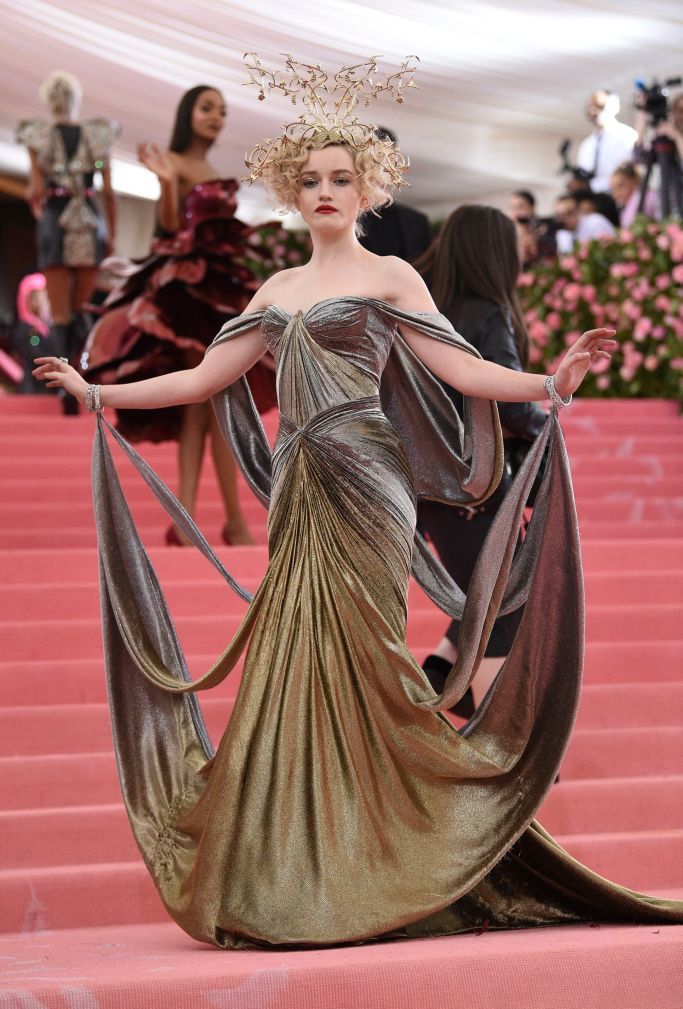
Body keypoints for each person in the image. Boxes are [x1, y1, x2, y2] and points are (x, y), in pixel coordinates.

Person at [35, 53, 681, 950]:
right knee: (299, 658)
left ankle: (403, 852)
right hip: (300, 488)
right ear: (293, 195)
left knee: (370, 656)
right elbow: (198, 378)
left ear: (367, 189)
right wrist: (97, 391)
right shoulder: (274, 291)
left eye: (342, 178)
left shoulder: (392, 279)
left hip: (371, 484)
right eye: (311, 179)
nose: (326, 190)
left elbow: (458, 367)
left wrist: (547, 378)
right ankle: (314, 867)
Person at [82, 85, 276, 546]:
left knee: (221, 409)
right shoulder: (176, 164)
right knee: (202, 406)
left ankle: (217, 521)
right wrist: (166, 183)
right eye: (208, 108)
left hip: (220, 293)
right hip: (188, 298)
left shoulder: (210, 168)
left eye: (222, 110)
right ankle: (199, 520)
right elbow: (169, 227)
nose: (217, 116)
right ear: (188, 113)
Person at [415, 205, 548, 718]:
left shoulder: (426, 311)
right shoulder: (487, 313)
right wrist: (547, 430)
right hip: (476, 484)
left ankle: (442, 669)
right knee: (501, 611)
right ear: (493, 251)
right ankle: (500, 745)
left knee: (485, 593)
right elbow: (511, 404)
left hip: (431, 482)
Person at [16, 70, 118, 412]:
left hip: (55, 221)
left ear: (49, 100)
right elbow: (109, 191)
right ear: (77, 99)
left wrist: (39, 211)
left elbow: (34, 190)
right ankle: (84, 379)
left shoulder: (38, 136)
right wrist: (113, 235)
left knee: (59, 313)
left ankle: (64, 389)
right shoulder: (98, 134)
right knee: (79, 309)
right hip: (90, 221)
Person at [358, 127, 433, 261]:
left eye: (388, 161)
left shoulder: (417, 221)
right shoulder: (347, 219)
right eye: (375, 161)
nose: (381, 169)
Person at [576, 90, 637, 194]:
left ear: (614, 107)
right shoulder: (587, 145)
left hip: (618, 198)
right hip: (592, 198)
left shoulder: (627, 135)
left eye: (600, 106)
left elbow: (630, 171)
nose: (594, 111)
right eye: (590, 107)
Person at [610, 162, 660, 227]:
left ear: (633, 181)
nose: (616, 193)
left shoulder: (648, 197)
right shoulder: (624, 210)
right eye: (613, 189)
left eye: (620, 186)